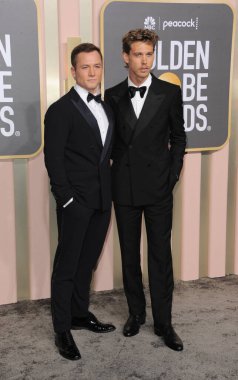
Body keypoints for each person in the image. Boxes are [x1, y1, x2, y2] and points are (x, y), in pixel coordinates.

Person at [104, 29, 186, 351]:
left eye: (149, 54)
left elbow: (179, 137)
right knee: (129, 256)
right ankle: (136, 314)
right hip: (123, 188)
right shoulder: (112, 95)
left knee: (160, 257)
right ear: (126, 57)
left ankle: (164, 323)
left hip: (158, 188)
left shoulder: (168, 92)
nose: (144, 61)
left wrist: (172, 176)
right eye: (138, 54)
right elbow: (108, 143)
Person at [44, 43, 115, 361]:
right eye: (85, 67)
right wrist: (67, 199)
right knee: (67, 267)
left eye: (96, 66)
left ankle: (78, 313)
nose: (91, 72)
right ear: (73, 71)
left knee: (87, 263)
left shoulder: (107, 106)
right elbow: (54, 160)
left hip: (102, 200)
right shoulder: (59, 110)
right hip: (76, 202)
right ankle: (62, 329)